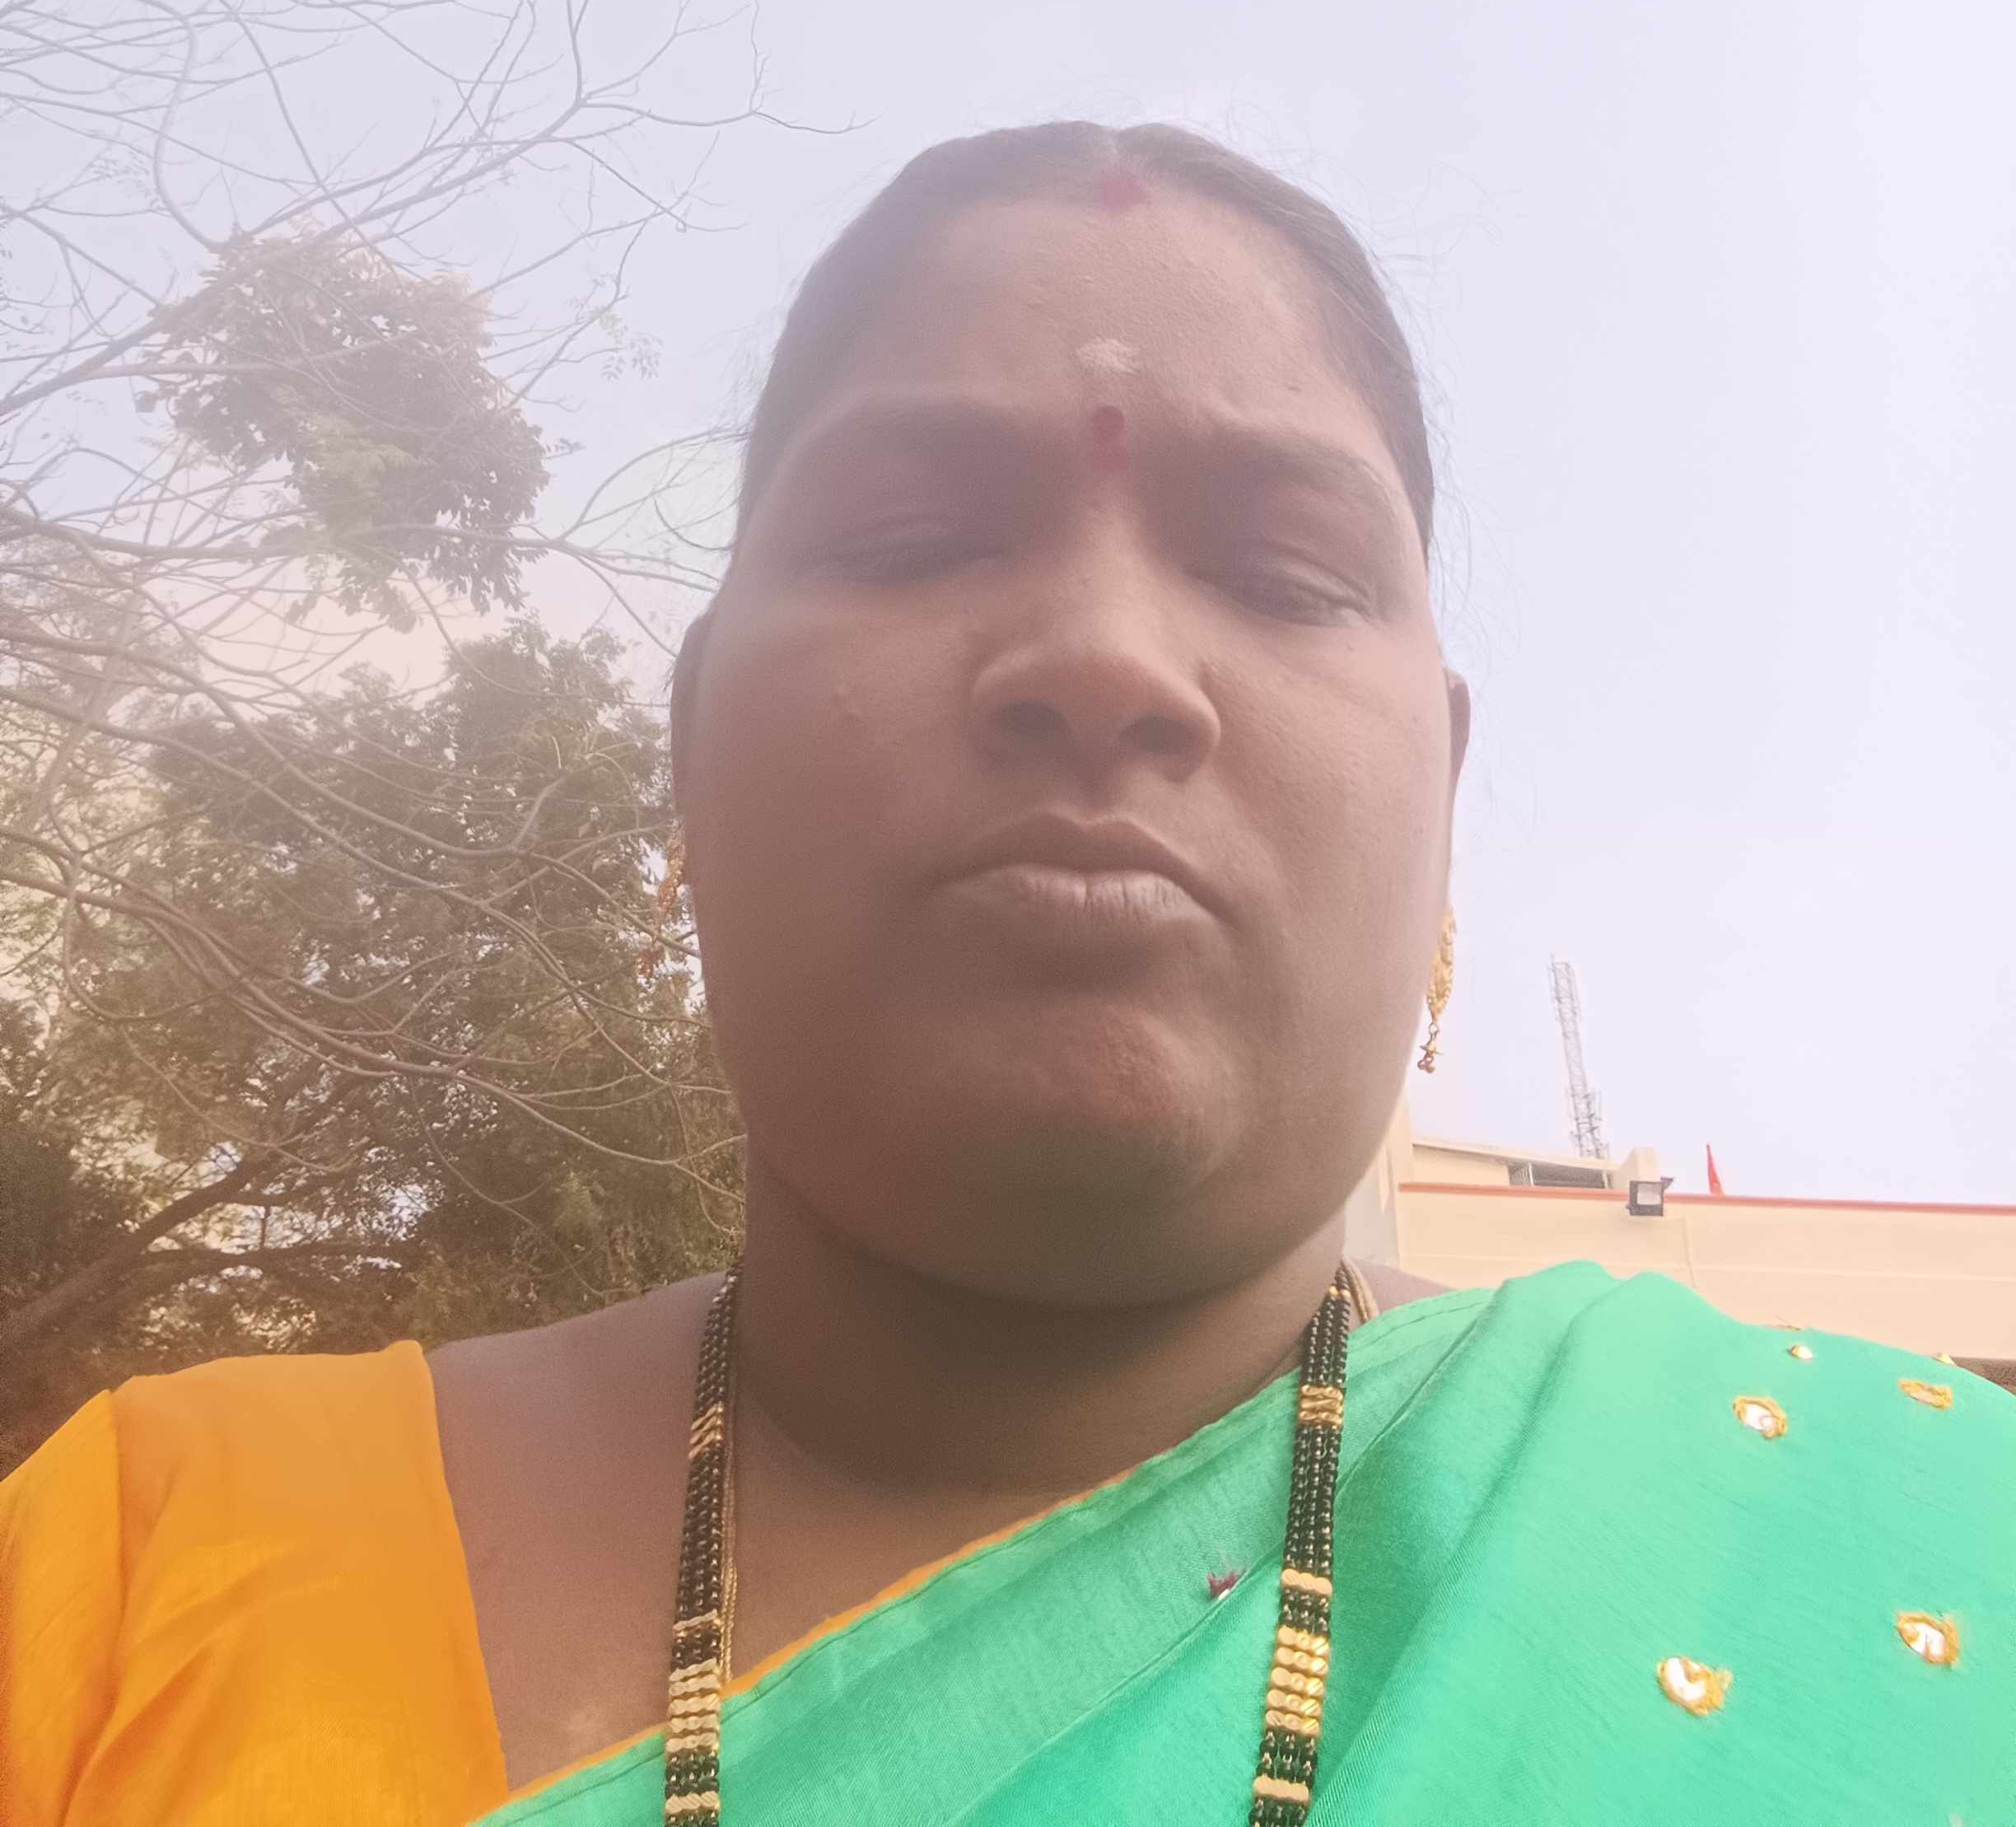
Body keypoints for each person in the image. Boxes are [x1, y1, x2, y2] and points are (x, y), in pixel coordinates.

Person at [2, 122, 2010, 1827]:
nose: (1106, 659)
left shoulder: (1919, 1550)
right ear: (691, 752)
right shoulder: (141, 1579)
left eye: (1281, 573)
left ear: (1447, 799)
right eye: (912, 537)